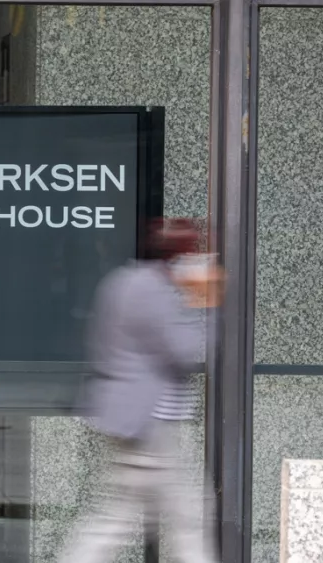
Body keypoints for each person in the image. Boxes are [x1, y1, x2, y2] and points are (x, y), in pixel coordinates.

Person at [58, 218, 221, 563]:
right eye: (193, 254)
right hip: (150, 423)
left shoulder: (122, 282)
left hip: (131, 418)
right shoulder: (152, 291)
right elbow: (187, 351)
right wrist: (204, 301)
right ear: (177, 256)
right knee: (187, 517)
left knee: (114, 517)